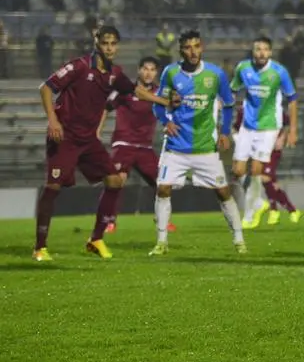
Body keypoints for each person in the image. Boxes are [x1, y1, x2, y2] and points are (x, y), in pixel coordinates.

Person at [33, 25, 174, 262]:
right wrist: (53, 120)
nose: (109, 48)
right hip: (65, 136)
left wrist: (164, 100)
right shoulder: (78, 66)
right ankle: (40, 247)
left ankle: (96, 238)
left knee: (115, 180)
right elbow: (46, 87)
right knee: (53, 188)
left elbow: (136, 91)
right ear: (96, 42)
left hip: (88, 139)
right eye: (105, 43)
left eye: (113, 43)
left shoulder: (115, 74)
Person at [149, 30, 245, 255]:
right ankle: (161, 242)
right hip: (175, 145)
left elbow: (229, 104)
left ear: (202, 47)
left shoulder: (216, 74)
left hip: (204, 147)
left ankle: (239, 240)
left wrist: (224, 131)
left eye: (196, 46)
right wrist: (165, 121)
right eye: (188, 47)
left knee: (223, 192)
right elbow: (158, 104)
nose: (193, 51)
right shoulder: (170, 73)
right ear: (181, 50)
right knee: (162, 189)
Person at [97, 56, 176, 234]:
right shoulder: (125, 89)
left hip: (145, 148)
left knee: (162, 183)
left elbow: (169, 113)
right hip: (123, 143)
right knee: (117, 180)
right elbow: (106, 107)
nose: (148, 73)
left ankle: (162, 220)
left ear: (156, 73)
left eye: (152, 69)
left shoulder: (159, 93)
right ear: (139, 70)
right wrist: (97, 131)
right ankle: (109, 221)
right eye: (145, 68)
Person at [229, 36, 299, 229]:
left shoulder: (279, 72)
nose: (261, 53)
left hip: (269, 127)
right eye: (257, 49)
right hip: (247, 126)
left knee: (256, 170)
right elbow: (232, 90)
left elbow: (292, 99)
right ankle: (259, 203)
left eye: (265, 49)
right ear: (253, 51)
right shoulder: (243, 68)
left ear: (270, 52)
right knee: (237, 170)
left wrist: (292, 130)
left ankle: (251, 214)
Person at [234, 105, 301, 226]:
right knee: (268, 181)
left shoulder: (272, 105)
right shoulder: (244, 108)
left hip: (272, 148)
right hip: (255, 148)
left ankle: (274, 210)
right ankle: (287, 210)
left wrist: (282, 137)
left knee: (265, 178)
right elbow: (238, 127)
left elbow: (286, 123)